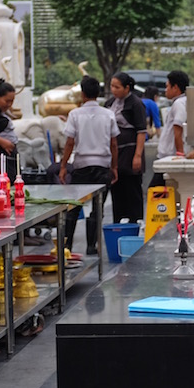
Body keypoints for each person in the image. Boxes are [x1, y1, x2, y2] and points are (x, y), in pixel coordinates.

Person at [59, 76, 119, 254]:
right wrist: (114, 167)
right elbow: (114, 144)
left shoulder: (75, 114)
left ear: (83, 94)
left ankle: (66, 245)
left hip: (81, 167)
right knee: (97, 208)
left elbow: (70, 142)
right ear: (98, 93)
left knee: (74, 206)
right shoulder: (108, 114)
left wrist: (63, 166)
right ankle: (91, 246)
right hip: (102, 166)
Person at [104, 72, 148, 224]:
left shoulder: (135, 103)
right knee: (117, 190)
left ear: (127, 88)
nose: (113, 90)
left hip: (130, 152)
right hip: (115, 152)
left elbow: (141, 131)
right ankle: (118, 222)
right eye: (112, 86)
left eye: (117, 87)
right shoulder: (109, 103)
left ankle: (136, 222)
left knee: (132, 189)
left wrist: (138, 155)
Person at [149, 70, 189, 189]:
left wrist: (180, 155)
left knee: (155, 191)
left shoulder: (179, 104)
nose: (165, 90)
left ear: (175, 87)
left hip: (170, 158)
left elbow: (178, 130)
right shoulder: (181, 102)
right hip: (169, 157)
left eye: (167, 86)